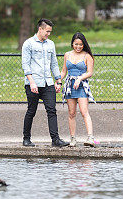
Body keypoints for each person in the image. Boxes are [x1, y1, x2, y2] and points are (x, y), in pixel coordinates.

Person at [21, 18, 69, 147]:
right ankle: (26, 139)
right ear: (40, 29)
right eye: (47, 31)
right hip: (33, 83)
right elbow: (25, 65)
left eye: (50, 32)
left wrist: (58, 81)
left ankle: (55, 140)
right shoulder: (28, 44)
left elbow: (53, 63)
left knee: (52, 110)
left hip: (48, 83)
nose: (48, 34)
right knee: (31, 110)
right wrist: (31, 82)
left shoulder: (50, 44)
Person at [60, 32, 98, 147]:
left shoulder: (87, 56)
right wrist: (58, 80)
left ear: (84, 45)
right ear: (72, 44)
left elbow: (90, 73)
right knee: (71, 113)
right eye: (76, 44)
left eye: (80, 45)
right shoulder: (67, 55)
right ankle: (73, 138)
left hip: (81, 86)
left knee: (84, 111)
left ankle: (90, 137)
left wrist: (79, 78)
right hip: (69, 86)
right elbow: (63, 71)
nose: (78, 47)